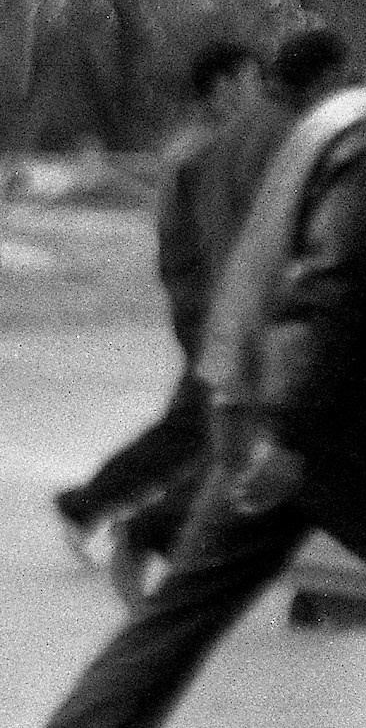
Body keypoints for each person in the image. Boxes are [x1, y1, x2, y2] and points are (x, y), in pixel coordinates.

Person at [0, 63, 366, 728]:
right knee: (183, 610)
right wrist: (292, 435)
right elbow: (331, 290)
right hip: (327, 434)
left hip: (262, 409)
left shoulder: (342, 118)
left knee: (178, 613)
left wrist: (252, 417)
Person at [50, 38, 277, 576]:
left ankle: (107, 508)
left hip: (210, 306)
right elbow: (213, 241)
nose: (256, 93)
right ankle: (120, 514)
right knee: (207, 424)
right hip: (212, 308)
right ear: (220, 88)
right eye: (247, 81)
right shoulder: (208, 152)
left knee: (201, 423)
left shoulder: (210, 147)